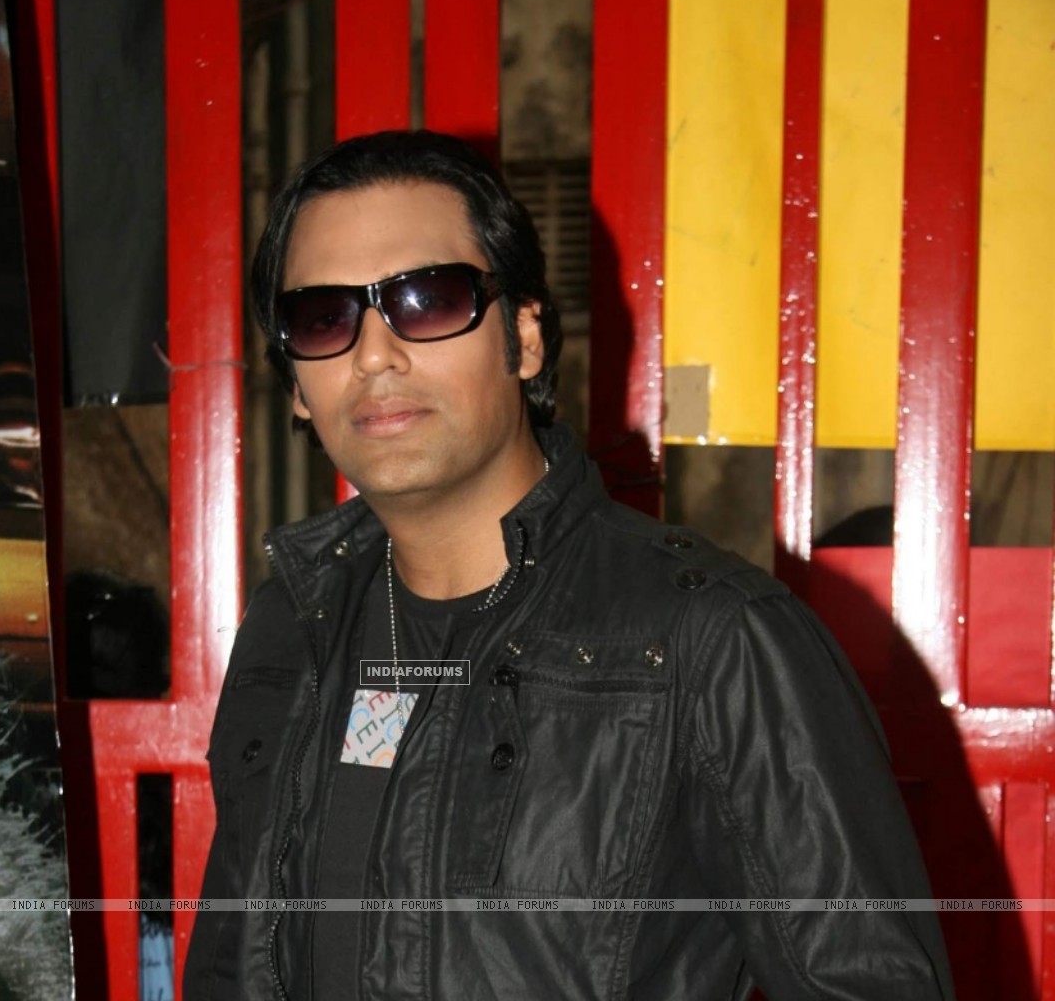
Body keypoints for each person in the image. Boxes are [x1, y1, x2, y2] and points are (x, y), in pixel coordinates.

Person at [181, 130, 954, 1000]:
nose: (374, 354)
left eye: (426, 301)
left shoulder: (711, 638)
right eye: (324, 318)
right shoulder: (293, 625)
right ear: (295, 383)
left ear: (524, 337)